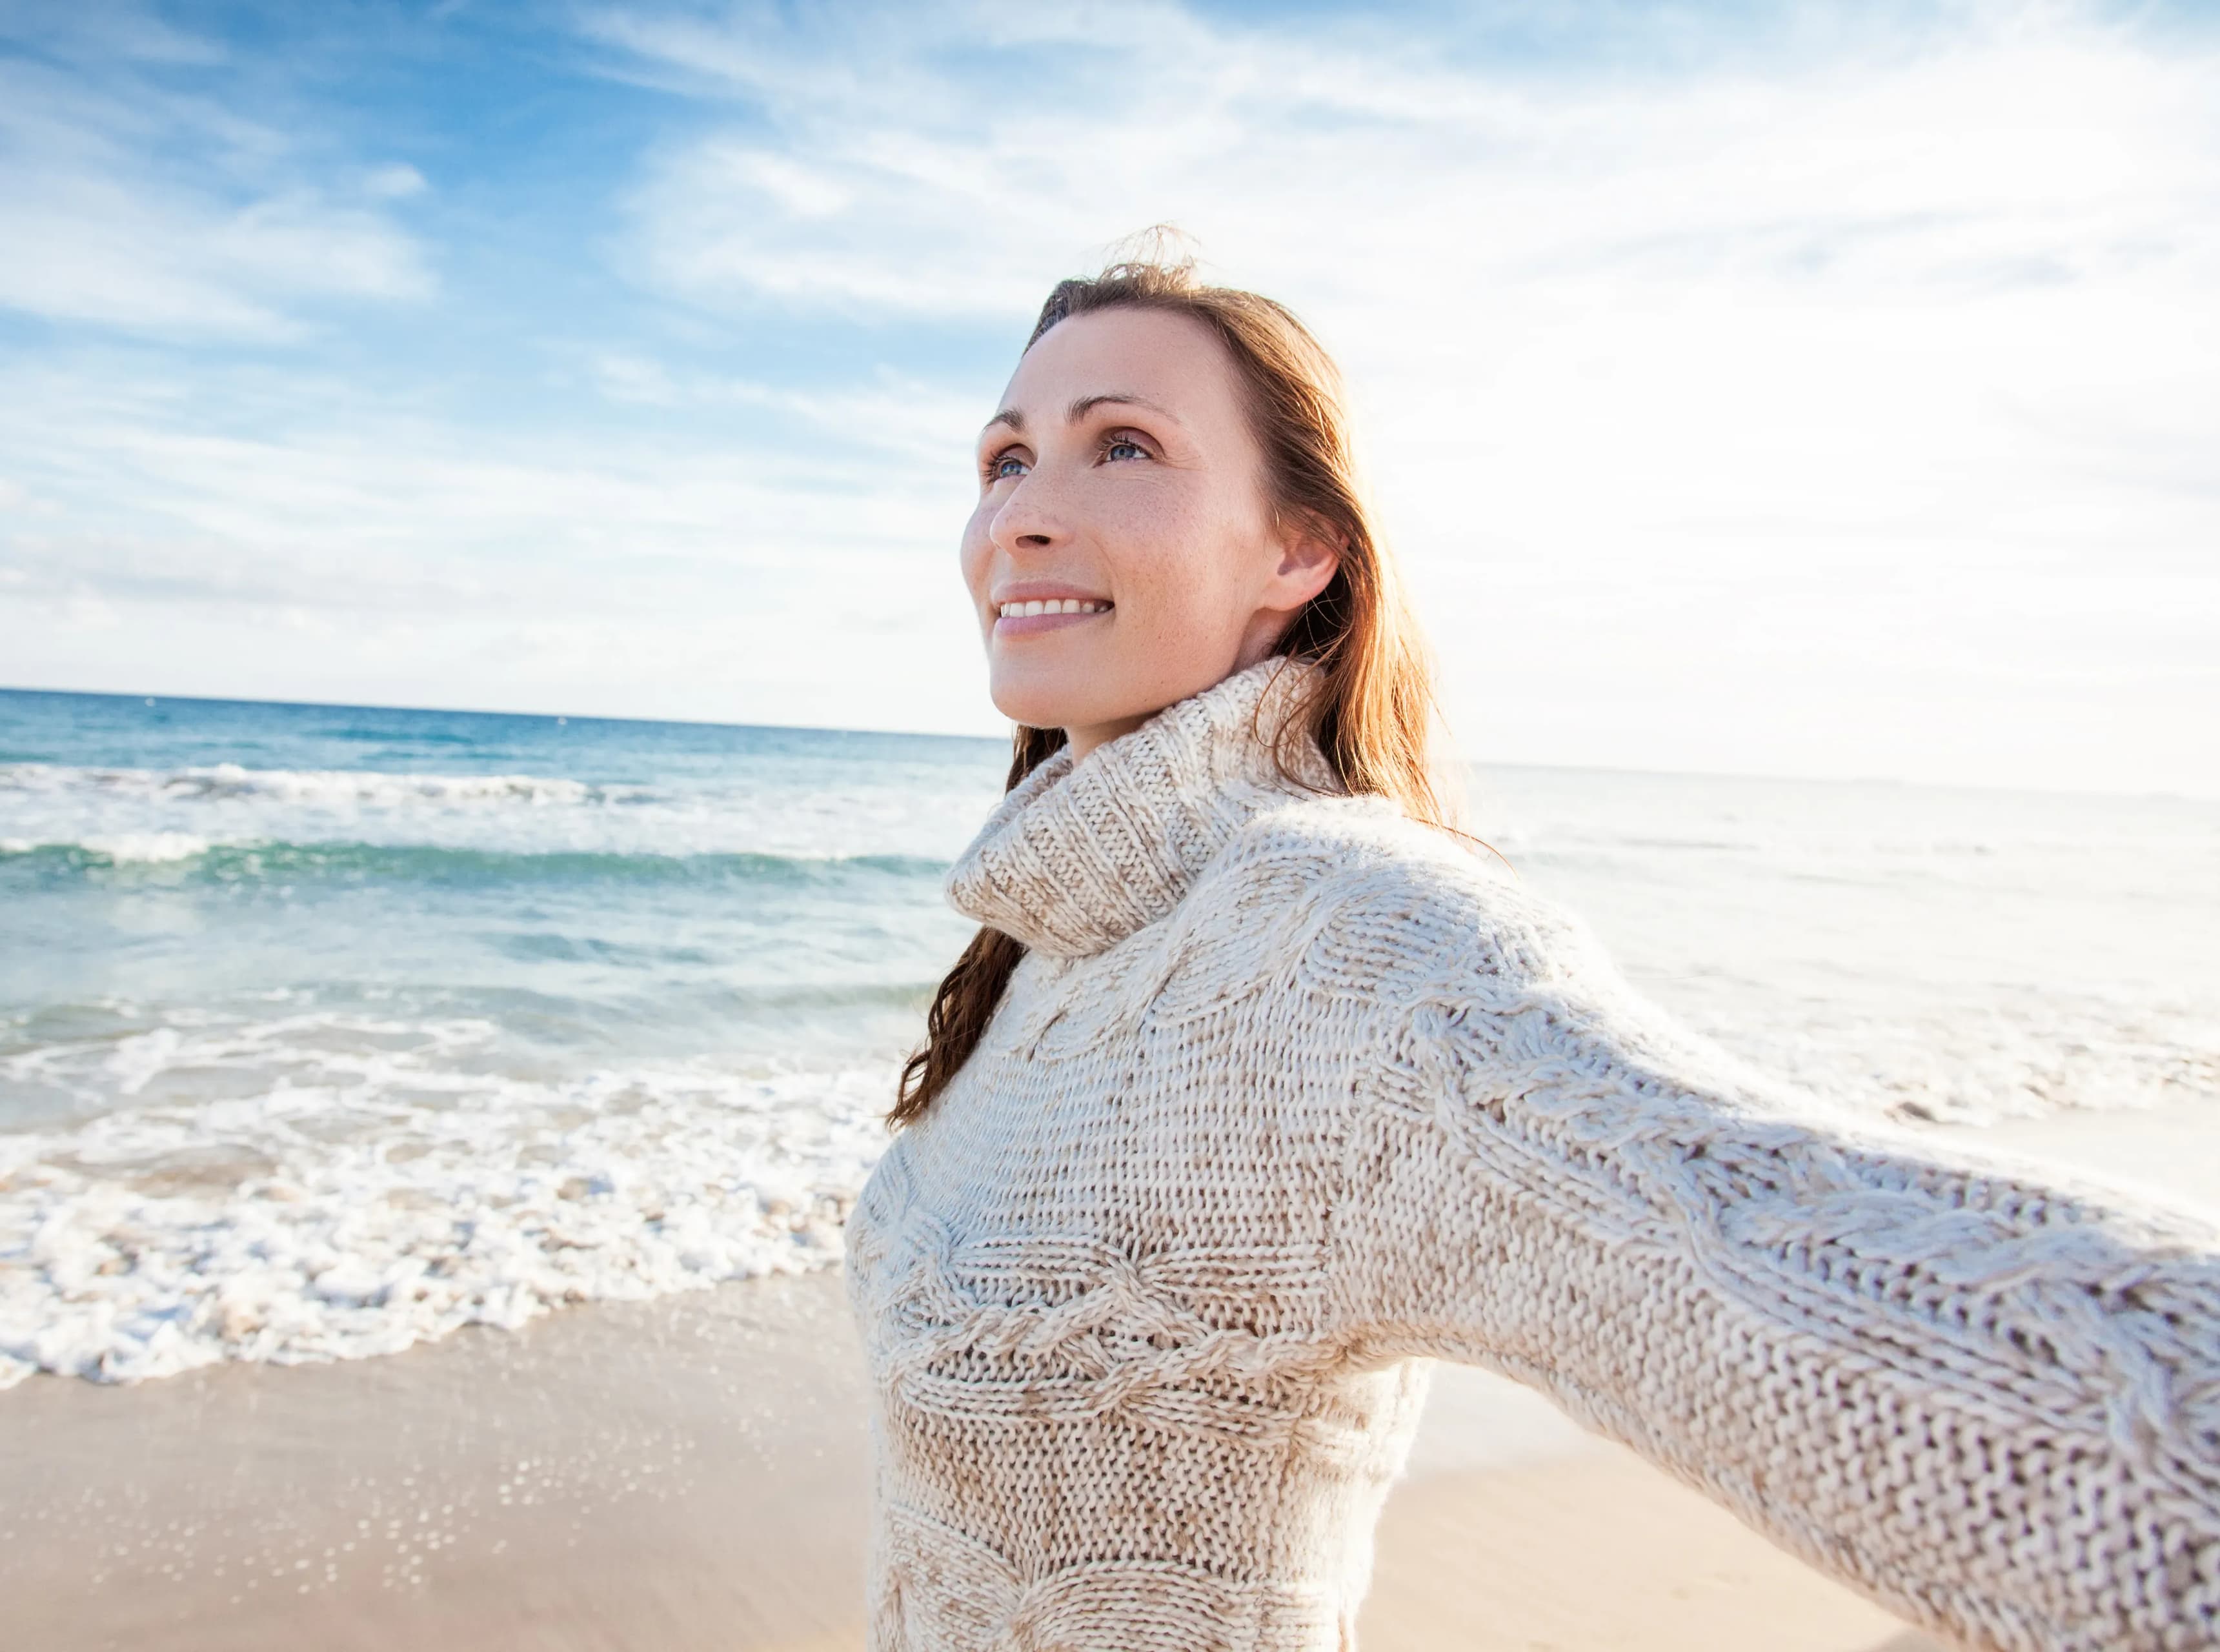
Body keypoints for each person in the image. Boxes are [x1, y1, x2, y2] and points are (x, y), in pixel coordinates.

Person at [842, 248, 2219, 1652]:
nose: (1022, 515)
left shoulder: (1344, 945)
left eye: (1122, 445)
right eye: (1005, 459)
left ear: (1299, 548)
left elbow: (1781, 1256)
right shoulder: (1050, 938)